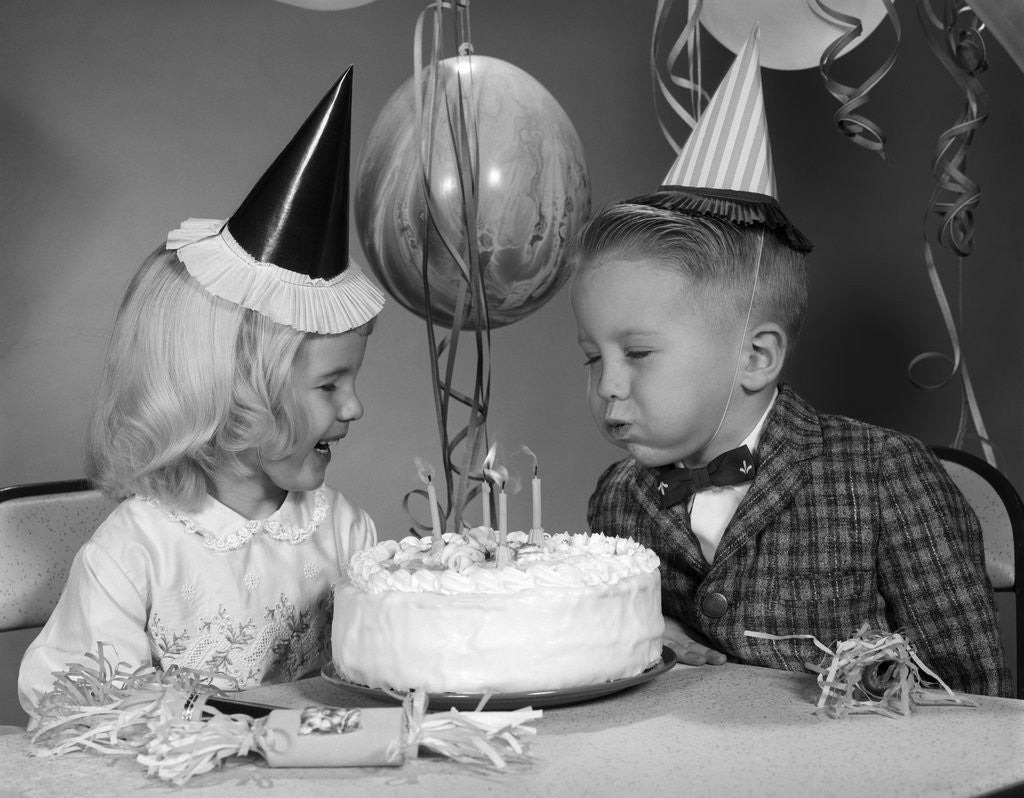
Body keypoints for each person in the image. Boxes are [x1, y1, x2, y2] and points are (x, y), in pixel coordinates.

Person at [569, 29, 1011, 696]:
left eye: (636, 354)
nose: (608, 386)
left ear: (756, 356)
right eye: (591, 357)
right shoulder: (618, 498)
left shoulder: (886, 479)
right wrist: (628, 640)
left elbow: (976, 698)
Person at [19, 67, 387, 717]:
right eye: (331, 383)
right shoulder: (139, 551)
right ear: (227, 395)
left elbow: (388, 669)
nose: (354, 406)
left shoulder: (344, 533)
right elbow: (68, 701)